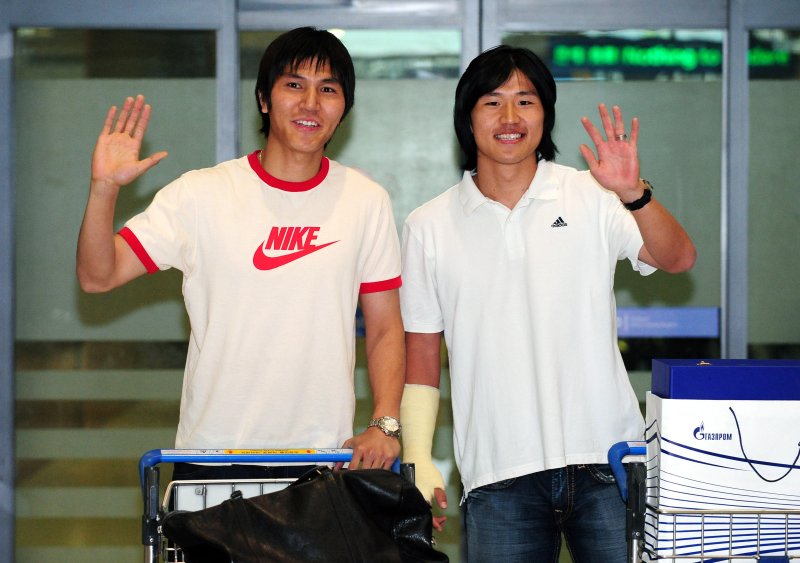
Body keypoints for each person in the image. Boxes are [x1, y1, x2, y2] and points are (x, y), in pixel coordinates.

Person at [399, 45, 696, 561]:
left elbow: (678, 258)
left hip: (609, 463)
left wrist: (635, 193)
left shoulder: (592, 194)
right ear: (467, 118)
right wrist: (419, 457)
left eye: (525, 101)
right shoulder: (429, 225)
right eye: (492, 102)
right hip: (498, 476)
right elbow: (422, 355)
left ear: (545, 114)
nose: (510, 117)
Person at [77, 27, 405, 479]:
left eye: (327, 89)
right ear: (264, 99)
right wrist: (103, 190)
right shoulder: (200, 193)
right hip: (212, 458)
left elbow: (386, 327)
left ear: (343, 108)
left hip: (320, 461)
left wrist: (385, 424)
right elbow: (98, 275)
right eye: (294, 85)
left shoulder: (366, 201)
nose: (311, 103)